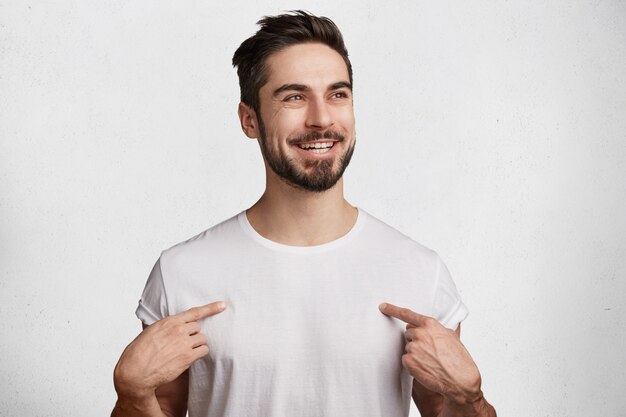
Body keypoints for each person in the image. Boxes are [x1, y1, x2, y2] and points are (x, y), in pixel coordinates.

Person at [111, 10, 497, 417]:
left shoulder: (420, 271)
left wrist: (470, 398)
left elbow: (449, 409)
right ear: (249, 120)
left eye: (337, 94)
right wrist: (132, 395)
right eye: (294, 96)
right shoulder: (182, 273)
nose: (321, 118)